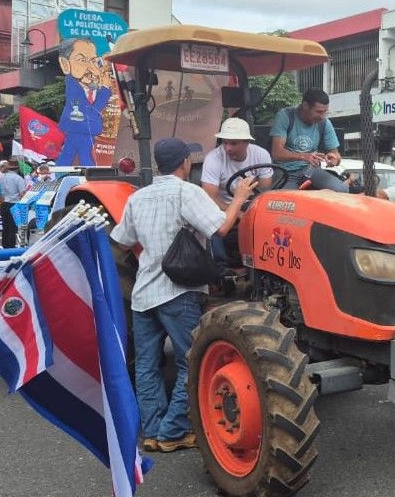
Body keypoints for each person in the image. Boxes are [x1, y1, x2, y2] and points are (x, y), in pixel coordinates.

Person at [110, 138, 257, 453]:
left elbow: (122, 242)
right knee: (190, 362)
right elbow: (221, 228)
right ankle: (173, 430)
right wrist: (240, 197)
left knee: (147, 365)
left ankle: (152, 431)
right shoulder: (186, 192)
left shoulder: (138, 197)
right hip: (178, 292)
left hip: (143, 294)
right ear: (185, 163)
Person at [270, 88, 347, 192]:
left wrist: (334, 160)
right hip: (286, 171)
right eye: (319, 112)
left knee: (342, 190)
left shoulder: (324, 122)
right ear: (305, 106)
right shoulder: (285, 116)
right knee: (291, 202)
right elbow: (277, 153)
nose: (322, 116)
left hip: (311, 170)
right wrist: (304, 156)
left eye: (325, 112)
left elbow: (336, 155)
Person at [56, 37, 111, 166]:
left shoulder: (87, 83)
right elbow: (90, 112)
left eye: (93, 61)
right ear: (65, 64)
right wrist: (105, 90)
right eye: (82, 60)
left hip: (82, 129)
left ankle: (59, 173)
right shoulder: (73, 86)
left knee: (70, 152)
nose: (91, 68)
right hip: (80, 126)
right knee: (84, 154)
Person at [201, 117, 274, 209]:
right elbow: (210, 198)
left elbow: (264, 188)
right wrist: (238, 214)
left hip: (255, 204)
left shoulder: (261, 154)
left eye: (233, 143)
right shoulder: (213, 159)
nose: (228, 148)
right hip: (225, 207)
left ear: (247, 142)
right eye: (224, 142)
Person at [0, 158, 26, 249]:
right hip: (14, 203)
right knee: (12, 227)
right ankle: (10, 246)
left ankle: (5, 244)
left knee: (5, 226)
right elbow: (22, 193)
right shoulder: (18, 178)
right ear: (17, 169)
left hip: (3, 203)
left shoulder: (1, 178)